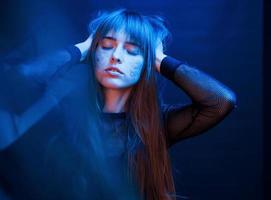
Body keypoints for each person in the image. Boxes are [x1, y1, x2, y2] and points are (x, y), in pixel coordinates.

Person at [0, 9, 237, 200]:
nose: (116, 56)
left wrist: (158, 59)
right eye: (106, 46)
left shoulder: (157, 124)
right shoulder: (66, 116)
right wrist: (82, 48)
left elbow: (220, 102)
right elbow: (16, 81)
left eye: (132, 50)